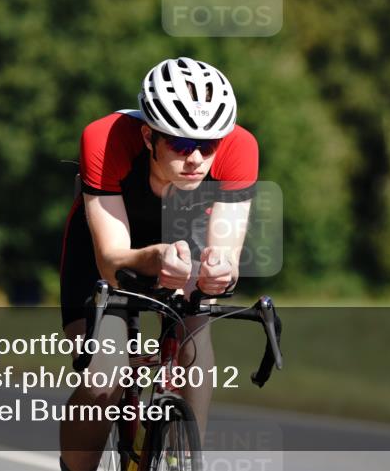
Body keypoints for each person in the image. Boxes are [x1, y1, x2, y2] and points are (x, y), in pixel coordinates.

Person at [58, 57, 258, 471]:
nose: (197, 159)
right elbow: (112, 260)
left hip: (184, 243)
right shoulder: (105, 138)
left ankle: (188, 458)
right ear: (149, 136)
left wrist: (220, 270)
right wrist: (156, 256)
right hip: (106, 252)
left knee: (195, 339)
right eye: (181, 145)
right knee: (103, 380)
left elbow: (225, 251)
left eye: (208, 146)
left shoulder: (241, 148)